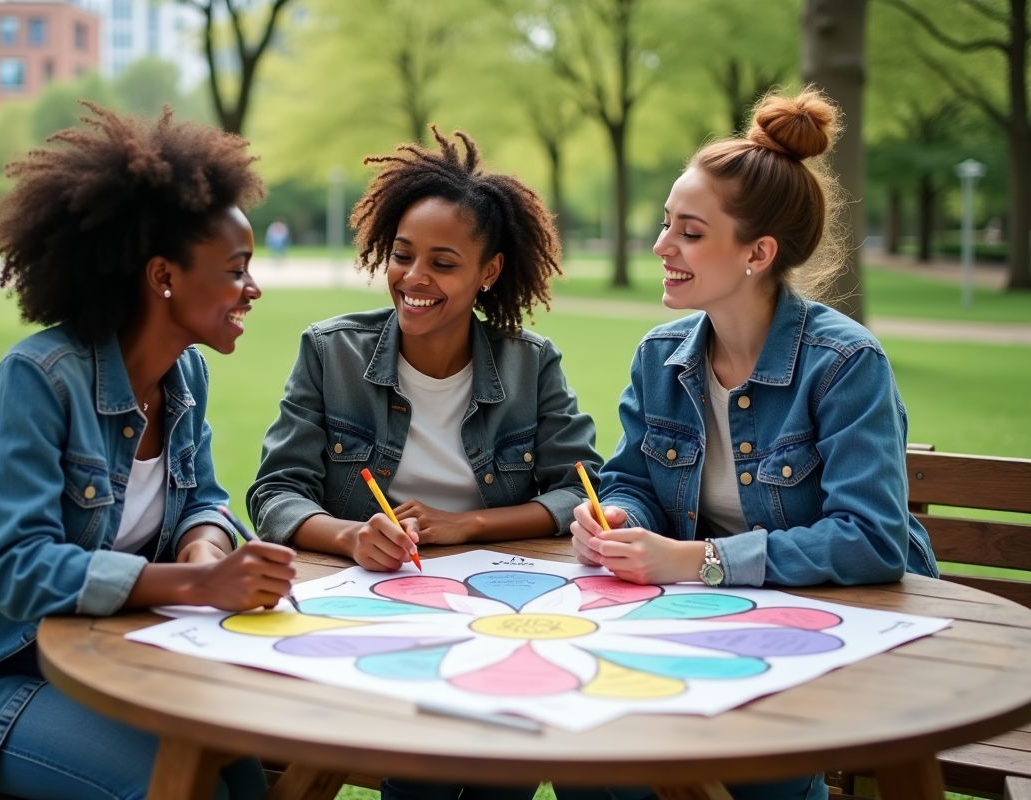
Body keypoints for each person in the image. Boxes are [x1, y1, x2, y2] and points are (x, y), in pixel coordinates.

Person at [0, 104, 295, 800]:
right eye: (236, 270)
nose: (253, 289)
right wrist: (197, 587)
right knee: (181, 788)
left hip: (89, 660)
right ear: (163, 276)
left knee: (242, 774)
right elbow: (17, 569)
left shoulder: (185, 375)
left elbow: (204, 499)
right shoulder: (39, 380)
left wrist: (204, 552)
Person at [563, 89, 938, 800]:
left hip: (849, 626)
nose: (661, 246)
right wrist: (617, 518)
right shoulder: (660, 356)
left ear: (757, 253)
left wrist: (697, 560)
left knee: (759, 771)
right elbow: (632, 480)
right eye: (666, 223)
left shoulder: (844, 364)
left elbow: (871, 539)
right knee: (591, 766)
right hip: (706, 625)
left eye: (689, 232)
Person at [248, 127, 601, 800]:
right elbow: (277, 493)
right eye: (403, 255)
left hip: (498, 607)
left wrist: (471, 525)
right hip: (375, 610)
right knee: (421, 763)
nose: (413, 278)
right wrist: (352, 535)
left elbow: (579, 491)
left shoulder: (530, 364)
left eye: (443, 263)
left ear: (487, 272)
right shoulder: (331, 353)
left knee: (507, 751)